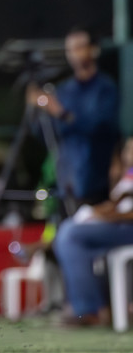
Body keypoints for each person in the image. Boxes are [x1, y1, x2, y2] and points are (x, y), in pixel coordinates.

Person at [29, 28, 122, 207]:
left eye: (79, 47)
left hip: (96, 178)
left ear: (93, 49)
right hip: (66, 180)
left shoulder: (105, 88)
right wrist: (36, 109)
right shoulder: (64, 90)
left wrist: (60, 112)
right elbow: (47, 133)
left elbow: (98, 125)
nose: (74, 54)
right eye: (70, 49)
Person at [52, 136, 133, 325]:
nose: (129, 154)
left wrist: (107, 217)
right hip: (118, 228)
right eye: (127, 149)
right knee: (69, 234)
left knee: (70, 234)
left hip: (127, 229)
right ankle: (98, 307)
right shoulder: (127, 175)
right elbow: (118, 204)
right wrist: (98, 212)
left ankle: (90, 309)